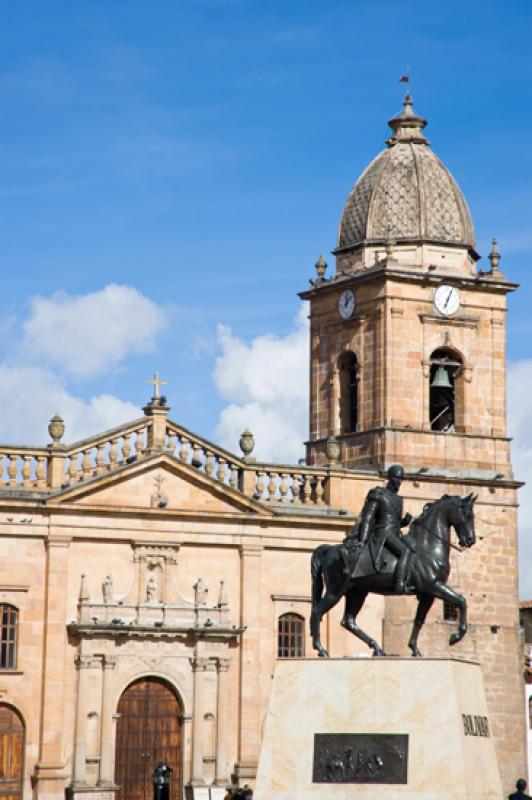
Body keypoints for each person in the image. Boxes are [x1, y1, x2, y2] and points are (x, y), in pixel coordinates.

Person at [341, 464, 415, 593]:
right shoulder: (379, 494)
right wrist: (362, 540)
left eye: (401, 478)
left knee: (414, 548)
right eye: (396, 477)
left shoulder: (398, 498)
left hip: (395, 533)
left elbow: (393, 521)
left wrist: (404, 522)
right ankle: (399, 584)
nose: (399, 481)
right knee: (405, 552)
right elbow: (368, 517)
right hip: (383, 534)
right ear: (389, 477)